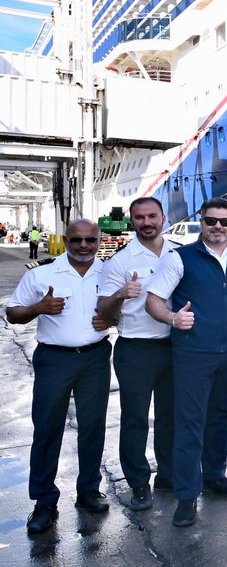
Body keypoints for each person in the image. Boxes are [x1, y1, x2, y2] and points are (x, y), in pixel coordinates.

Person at [145, 198, 227, 528]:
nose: (218, 227)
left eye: (224, 222)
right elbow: (153, 301)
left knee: (221, 416)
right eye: (211, 221)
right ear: (202, 222)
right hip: (194, 353)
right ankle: (186, 495)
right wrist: (172, 318)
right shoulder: (180, 257)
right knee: (190, 423)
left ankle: (214, 476)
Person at [6, 219, 112, 535]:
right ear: (65, 241)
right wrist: (39, 307)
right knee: (47, 428)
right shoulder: (42, 274)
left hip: (95, 357)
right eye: (76, 240)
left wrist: (111, 318)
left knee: (92, 427)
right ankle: (44, 502)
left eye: (90, 240)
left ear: (98, 241)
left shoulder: (108, 272)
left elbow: (123, 308)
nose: (84, 246)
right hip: (54, 360)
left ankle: (89, 490)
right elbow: (12, 313)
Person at [97, 197, 178, 511]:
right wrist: (120, 294)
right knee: (135, 419)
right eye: (140, 217)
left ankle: (168, 475)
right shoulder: (120, 261)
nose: (147, 222)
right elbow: (103, 309)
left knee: (171, 416)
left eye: (152, 216)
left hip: (174, 346)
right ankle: (139, 483)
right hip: (136, 349)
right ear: (132, 221)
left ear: (163, 218)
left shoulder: (178, 253)